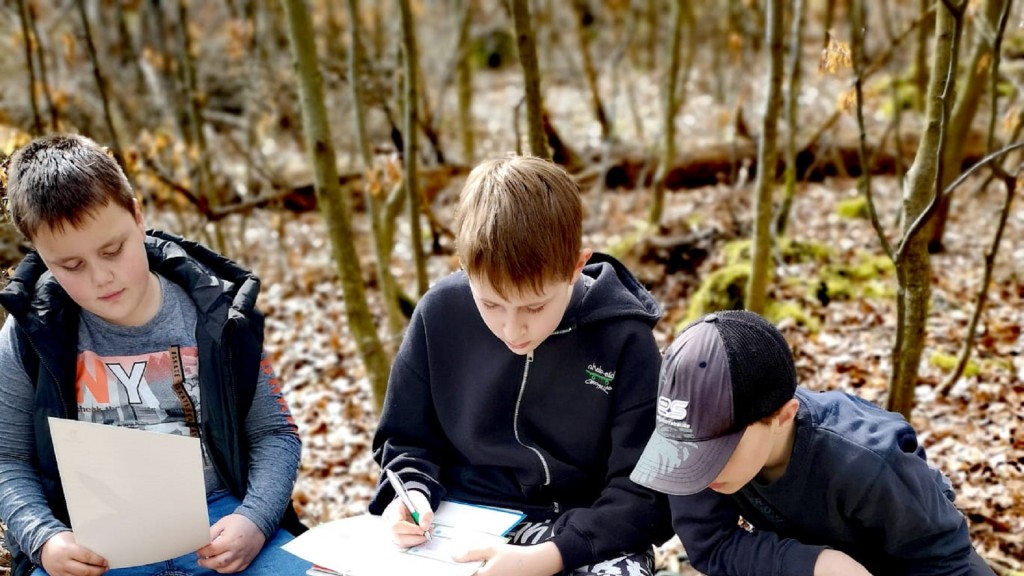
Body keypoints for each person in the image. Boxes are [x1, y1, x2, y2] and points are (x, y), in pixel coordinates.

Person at [0, 134, 311, 576]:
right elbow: (7, 457)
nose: (102, 277)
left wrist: (255, 520)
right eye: (71, 265)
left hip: (221, 525)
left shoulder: (217, 315)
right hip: (93, 544)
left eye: (113, 250)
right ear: (41, 254)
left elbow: (275, 432)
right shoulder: (31, 333)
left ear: (138, 216)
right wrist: (45, 538)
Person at [369, 155, 673, 576]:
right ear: (464, 267)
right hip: (457, 525)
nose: (513, 329)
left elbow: (644, 494)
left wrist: (547, 557)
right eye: (490, 303)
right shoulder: (438, 314)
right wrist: (411, 494)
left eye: (534, 305)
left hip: (583, 532)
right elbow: (405, 441)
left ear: (576, 266)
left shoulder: (626, 340)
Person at [630, 310, 996, 576]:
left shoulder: (867, 461)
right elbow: (711, 544)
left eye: (716, 451)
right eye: (687, 449)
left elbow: (945, 561)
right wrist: (816, 564)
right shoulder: (692, 432)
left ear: (782, 416)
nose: (699, 467)